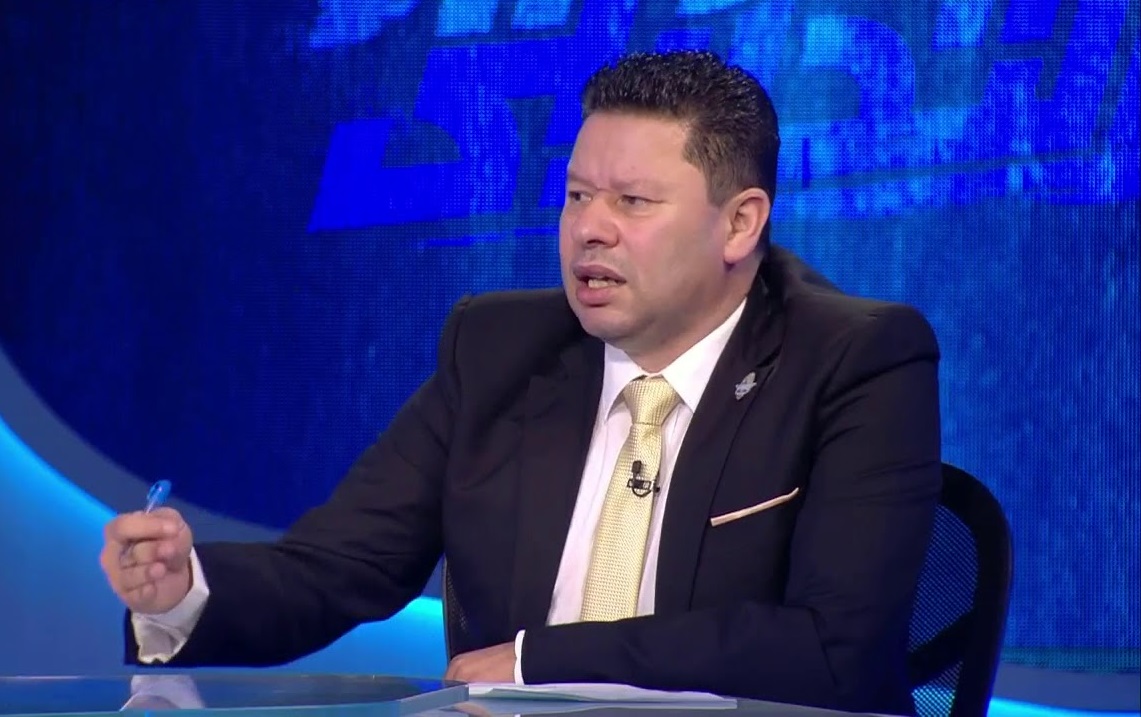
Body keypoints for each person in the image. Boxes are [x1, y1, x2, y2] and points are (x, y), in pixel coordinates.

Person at [99, 50, 941, 715]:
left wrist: (542, 662)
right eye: (575, 195)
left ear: (740, 222)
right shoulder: (498, 351)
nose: (589, 228)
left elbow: (832, 648)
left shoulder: (855, 360)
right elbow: (338, 565)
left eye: (632, 202)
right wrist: (186, 592)